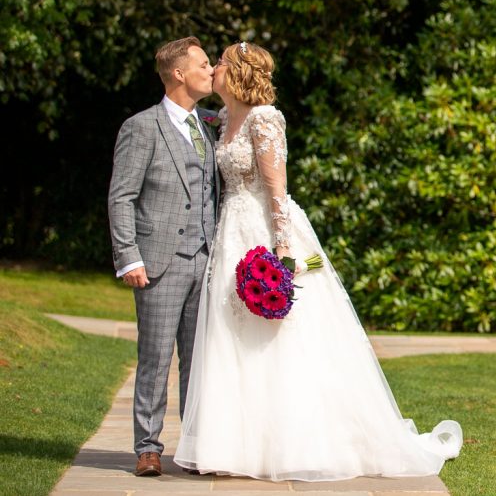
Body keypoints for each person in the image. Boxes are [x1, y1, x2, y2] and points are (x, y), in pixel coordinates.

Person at [174, 42, 461, 481]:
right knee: (231, 335)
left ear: (237, 71)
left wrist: (282, 254)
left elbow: (276, 187)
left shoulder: (264, 118)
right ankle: (234, 448)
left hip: (265, 234)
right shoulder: (223, 120)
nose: (212, 67)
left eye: (221, 61)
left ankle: (295, 443)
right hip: (229, 233)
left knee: (278, 339)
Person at [107, 37, 219, 477]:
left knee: (198, 360)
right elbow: (122, 197)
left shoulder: (208, 125)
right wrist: (128, 256)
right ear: (179, 73)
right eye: (204, 64)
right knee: (155, 358)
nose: (212, 70)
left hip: (205, 258)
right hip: (158, 260)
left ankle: (192, 446)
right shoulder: (142, 127)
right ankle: (148, 447)